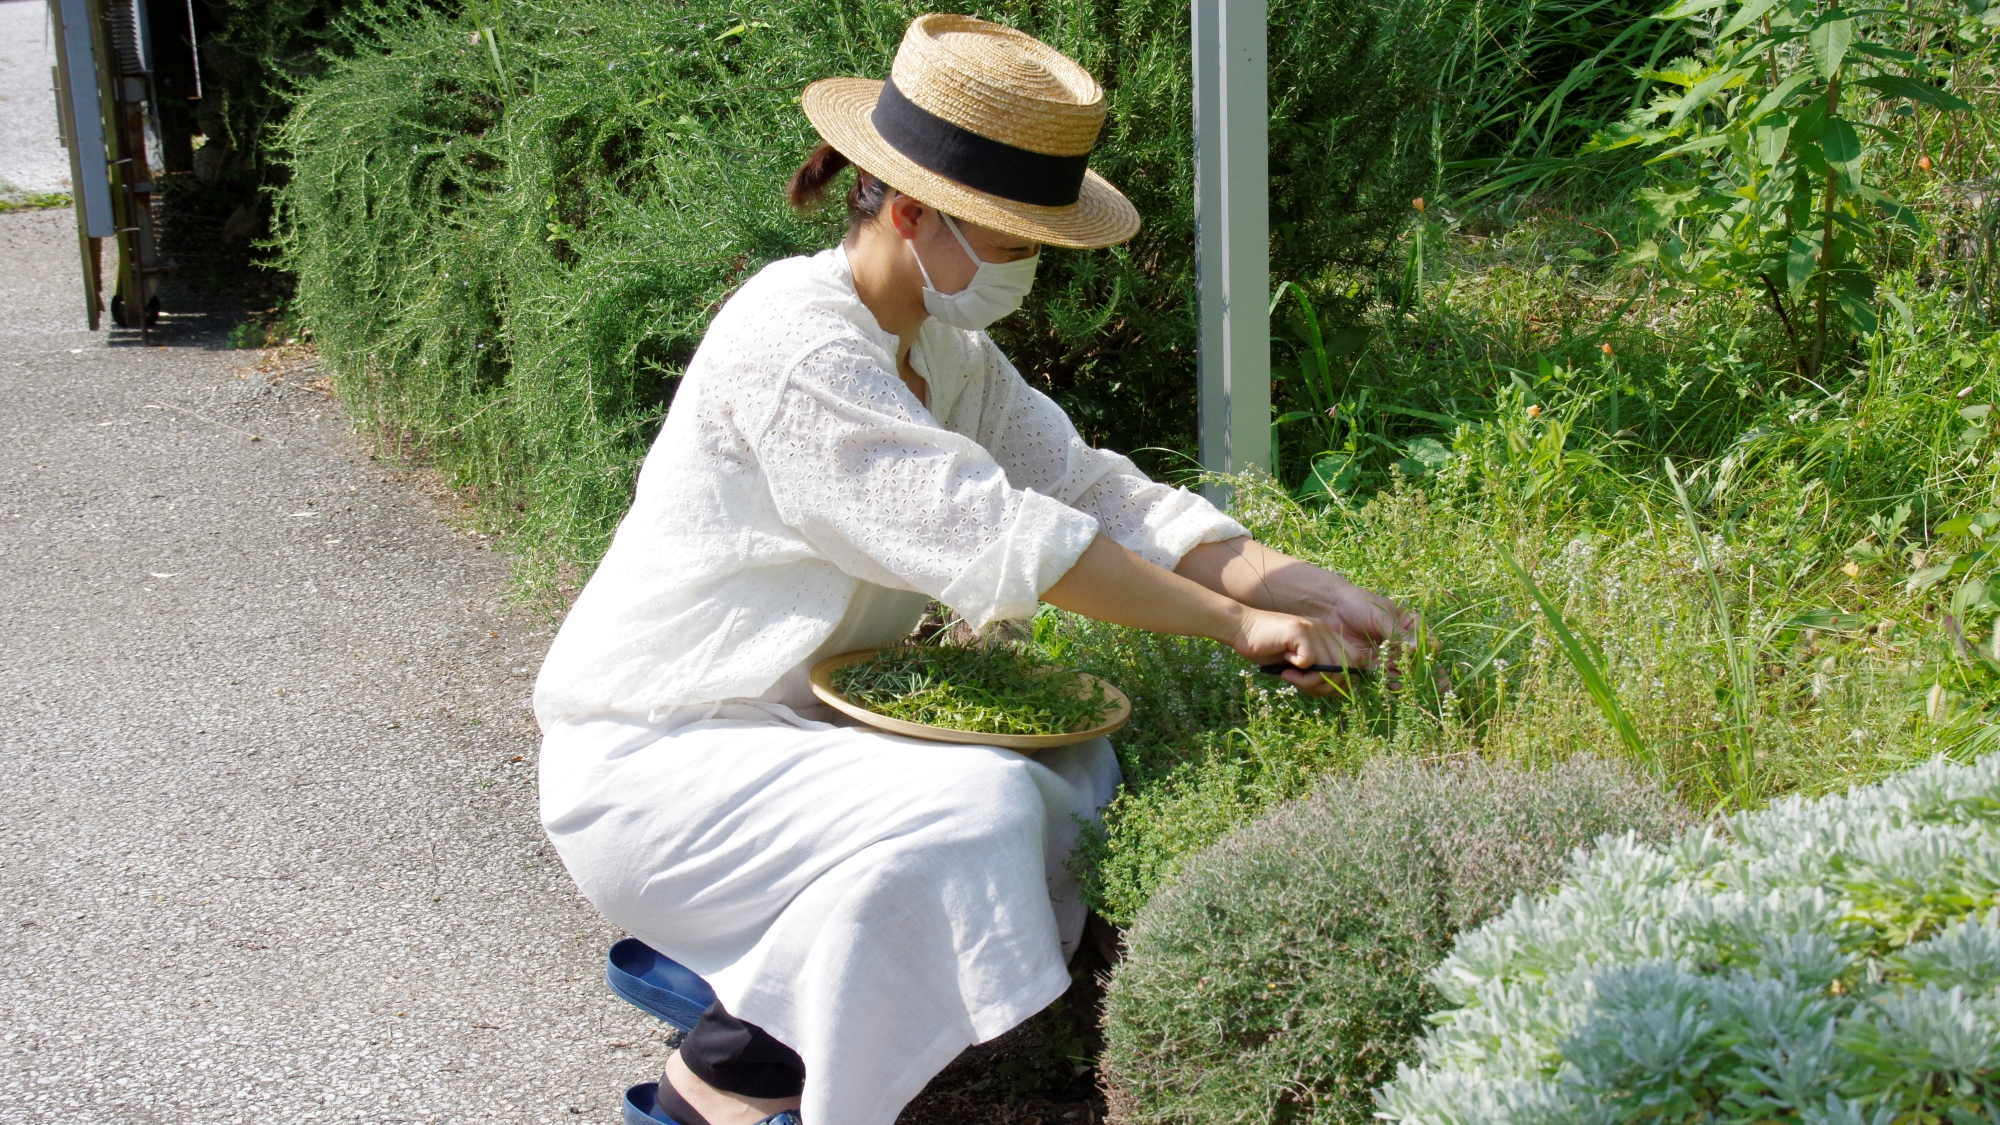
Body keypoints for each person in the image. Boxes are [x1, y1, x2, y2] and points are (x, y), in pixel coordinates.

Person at [533, 14, 1416, 1125]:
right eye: (1010, 241)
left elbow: (1093, 494)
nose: (1027, 267)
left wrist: (1293, 582)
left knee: (1072, 776)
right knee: (979, 806)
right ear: (910, 213)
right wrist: (1236, 629)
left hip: (796, 734)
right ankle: (747, 1068)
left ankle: (743, 1032)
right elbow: (1001, 537)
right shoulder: (798, 345)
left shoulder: (949, 353)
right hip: (663, 752)